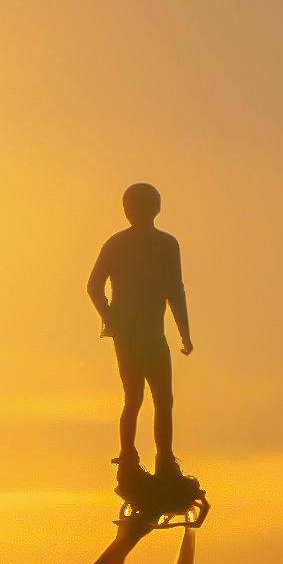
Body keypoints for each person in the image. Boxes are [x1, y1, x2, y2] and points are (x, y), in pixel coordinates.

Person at [85, 182, 191, 480]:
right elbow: (94, 286)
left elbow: (175, 291)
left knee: (144, 398)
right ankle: (138, 459)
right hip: (138, 335)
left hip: (142, 333)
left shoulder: (140, 243)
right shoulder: (158, 244)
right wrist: (110, 318)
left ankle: (156, 460)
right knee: (150, 398)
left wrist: (111, 318)